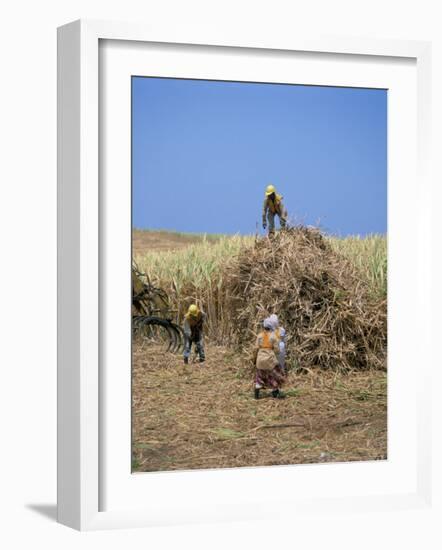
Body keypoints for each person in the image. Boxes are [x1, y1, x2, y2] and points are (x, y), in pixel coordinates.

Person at [252, 317, 285, 399]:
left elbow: (255, 348)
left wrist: (254, 359)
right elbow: (277, 350)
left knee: (260, 376)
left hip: (260, 360)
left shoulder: (259, 335)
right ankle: (275, 392)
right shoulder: (273, 337)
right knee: (276, 375)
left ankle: (256, 393)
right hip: (270, 360)